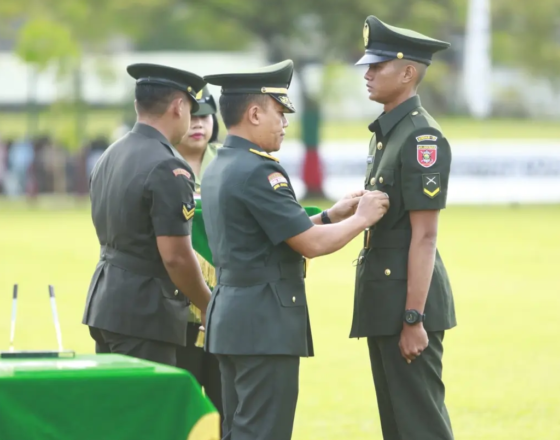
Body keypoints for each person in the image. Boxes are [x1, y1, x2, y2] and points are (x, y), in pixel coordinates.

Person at [199, 59, 391, 440]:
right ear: (254, 113)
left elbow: (273, 232)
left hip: (234, 317)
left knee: (238, 428)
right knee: (263, 431)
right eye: (279, 113)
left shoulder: (223, 163)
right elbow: (310, 244)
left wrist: (332, 215)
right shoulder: (259, 171)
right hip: (263, 323)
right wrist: (362, 218)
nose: (285, 123)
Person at [349, 15, 457, 440]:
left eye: (378, 66)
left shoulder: (420, 138)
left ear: (408, 73)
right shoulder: (385, 133)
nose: (368, 73)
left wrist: (414, 317)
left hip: (407, 303)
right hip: (385, 296)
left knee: (421, 425)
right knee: (396, 425)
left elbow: (425, 235)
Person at [81, 63, 213, 367]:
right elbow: (176, 256)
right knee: (149, 412)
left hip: (107, 302)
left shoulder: (110, 154)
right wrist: (208, 305)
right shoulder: (169, 167)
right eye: (192, 110)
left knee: (119, 410)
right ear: (179, 106)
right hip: (145, 313)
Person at [172, 86, 224, 416]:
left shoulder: (228, 161)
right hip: (177, 308)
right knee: (181, 408)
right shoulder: (163, 162)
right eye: (192, 116)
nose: (198, 124)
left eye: (205, 116)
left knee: (226, 404)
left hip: (225, 305)